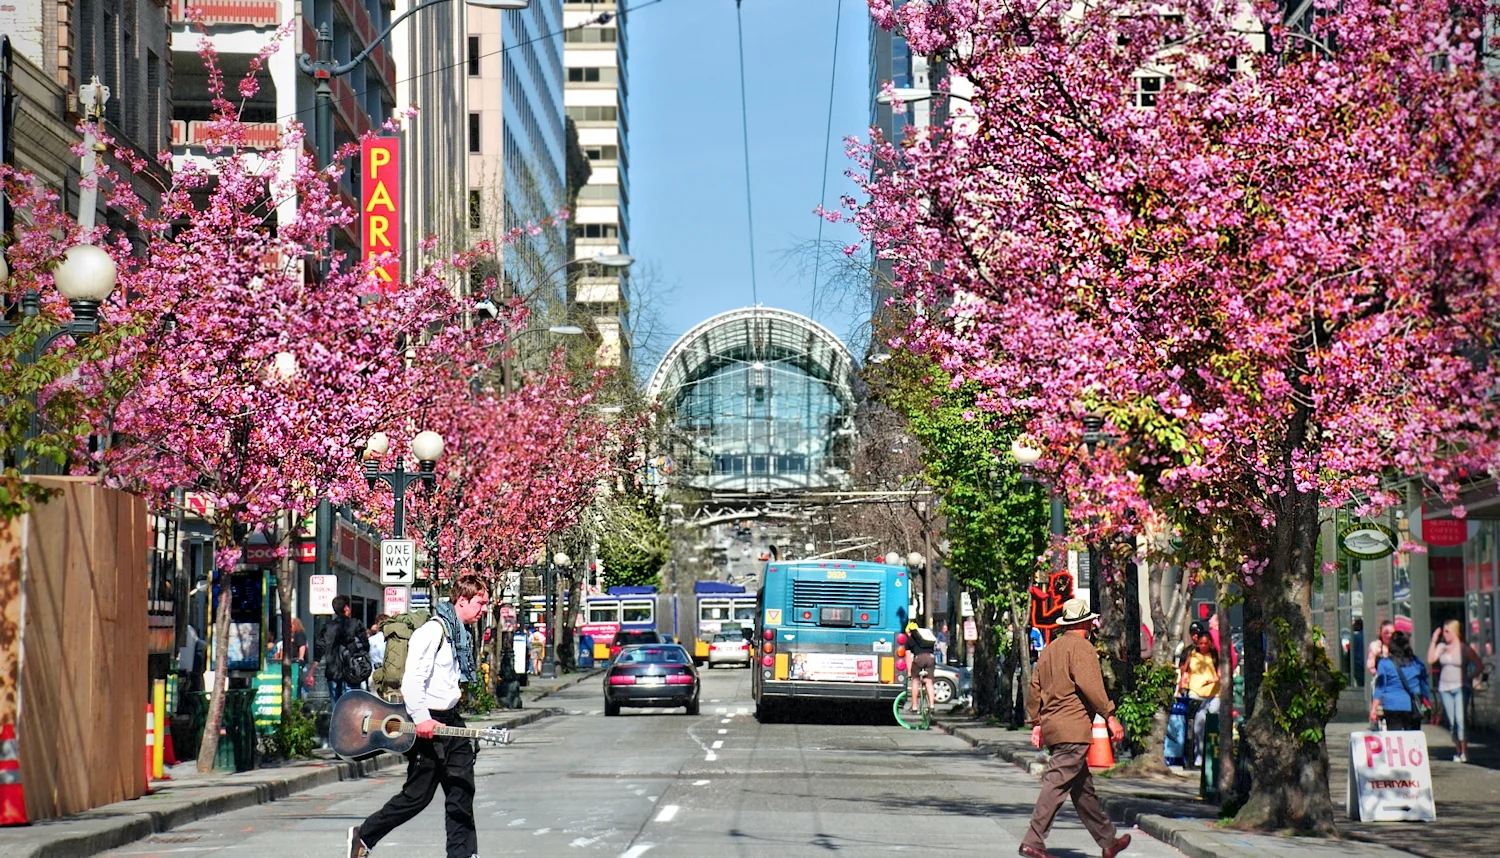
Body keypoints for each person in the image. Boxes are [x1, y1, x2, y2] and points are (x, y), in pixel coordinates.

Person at [348, 575, 490, 858]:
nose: (484, 609)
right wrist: (422, 718)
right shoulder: (432, 632)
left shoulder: (456, 634)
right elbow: (413, 679)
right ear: (462, 600)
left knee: (462, 789)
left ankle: (463, 854)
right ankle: (364, 835)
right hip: (427, 721)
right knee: (417, 796)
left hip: (450, 720)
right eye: (481, 602)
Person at [1022, 598, 1131, 858]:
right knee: (1057, 783)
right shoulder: (1082, 648)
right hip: (1073, 726)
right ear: (1084, 622)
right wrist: (1110, 715)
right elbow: (1092, 686)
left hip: (1054, 726)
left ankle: (1107, 840)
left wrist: (1036, 722)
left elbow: (1034, 687)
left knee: (1083, 791)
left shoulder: (1050, 649)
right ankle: (1033, 840)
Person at [1427, 619, 1480, 762]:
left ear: (1455, 632)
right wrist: (1434, 640)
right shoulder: (1442, 646)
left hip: (1461, 687)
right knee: (1452, 721)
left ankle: (1464, 751)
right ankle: (1457, 751)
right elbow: (1431, 659)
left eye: (1447, 631)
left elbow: (1479, 665)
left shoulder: (1464, 648)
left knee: (1460, 719)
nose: (1444, 634)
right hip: (1445, 687)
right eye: (1443, 631)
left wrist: (1470, 677)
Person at [1178, 620, 1221, 769]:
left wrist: (1212, 680)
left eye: (1205, 643)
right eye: (1200, 643)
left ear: (1209, 643)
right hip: (1195, 693)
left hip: (1213, 695)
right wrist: (1182, 683)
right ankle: (1198, 758)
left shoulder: (1215, 656)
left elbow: (1220, 674)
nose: (1202, 646)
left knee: (1213, 725)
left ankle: (1215, 756)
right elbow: (1184, 670)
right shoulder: (1191, 653)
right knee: (1197, 725)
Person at [1376, 631, 1429, 732]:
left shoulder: (1384, 663)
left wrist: (1374, 708)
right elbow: (1424, 684)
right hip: (1413, 704)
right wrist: (1425, 700)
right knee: (1413, 738)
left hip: (1392, 705)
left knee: (1395, 738)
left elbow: (1380, 687)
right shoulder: (1416, 662)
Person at [320, 596, 369, 704]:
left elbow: (320, 647)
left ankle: (337, 720)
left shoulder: (328, 626)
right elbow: (365, 645)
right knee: (352, 701)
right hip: (351, 668)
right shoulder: (355, 623)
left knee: (335, 704)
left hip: (332, 668)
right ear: (346, 608)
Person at [905, 620, 938, 710]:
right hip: (930, 659)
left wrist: (909, 672)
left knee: (915, 681)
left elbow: (908, 657)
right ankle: (931, 705)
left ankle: (914, 706)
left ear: (909, 631)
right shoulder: (926, 637)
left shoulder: (909, 640)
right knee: (929, 682)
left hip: (919, 659)